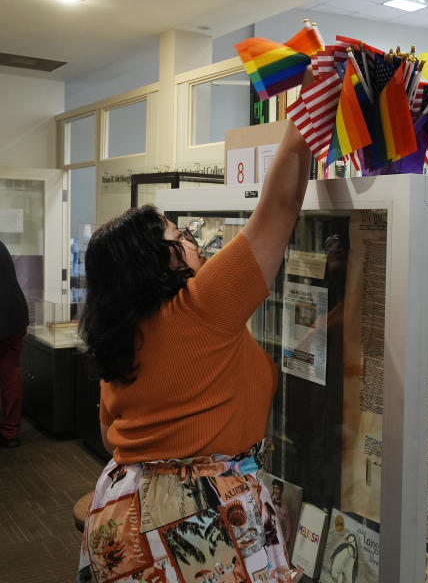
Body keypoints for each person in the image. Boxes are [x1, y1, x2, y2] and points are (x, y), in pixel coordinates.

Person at [76, 85, 315, 583]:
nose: (191, 240)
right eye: (178, 236)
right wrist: (313, 102)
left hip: (120, 515)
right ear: (155, 262)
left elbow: (109, 434)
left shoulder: (118, 337)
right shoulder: (201, 305)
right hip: (199, 526)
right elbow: (284, 201)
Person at [0, 238, 28, 449]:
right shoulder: (1, 245)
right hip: (16, 318)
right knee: (10, 375)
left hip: (5, 321)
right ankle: (10, 432)